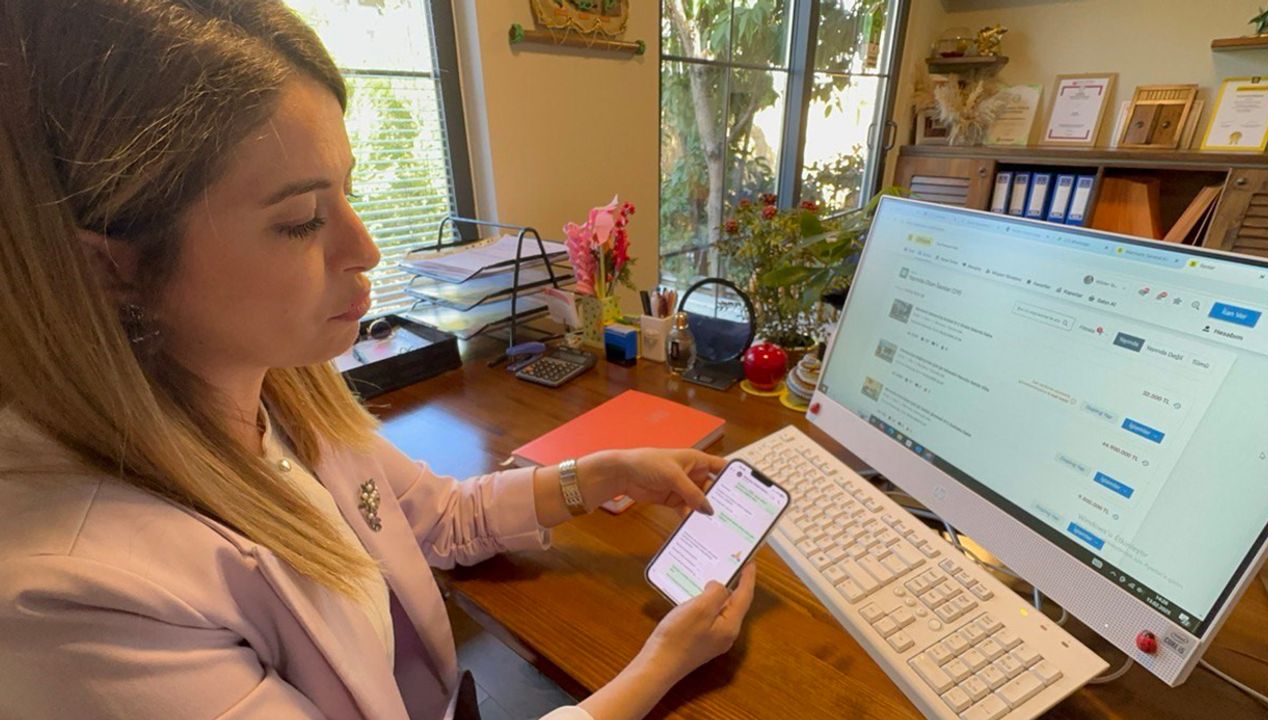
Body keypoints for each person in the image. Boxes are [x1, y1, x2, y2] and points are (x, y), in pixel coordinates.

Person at [0, 2, 756, 718]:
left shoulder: (280, 391)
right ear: (111, 267)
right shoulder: (81, 605)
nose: (365, 248)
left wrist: (603, 474)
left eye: (349, 192)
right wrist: (660, 665)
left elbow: (442, 517)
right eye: (301, 220)